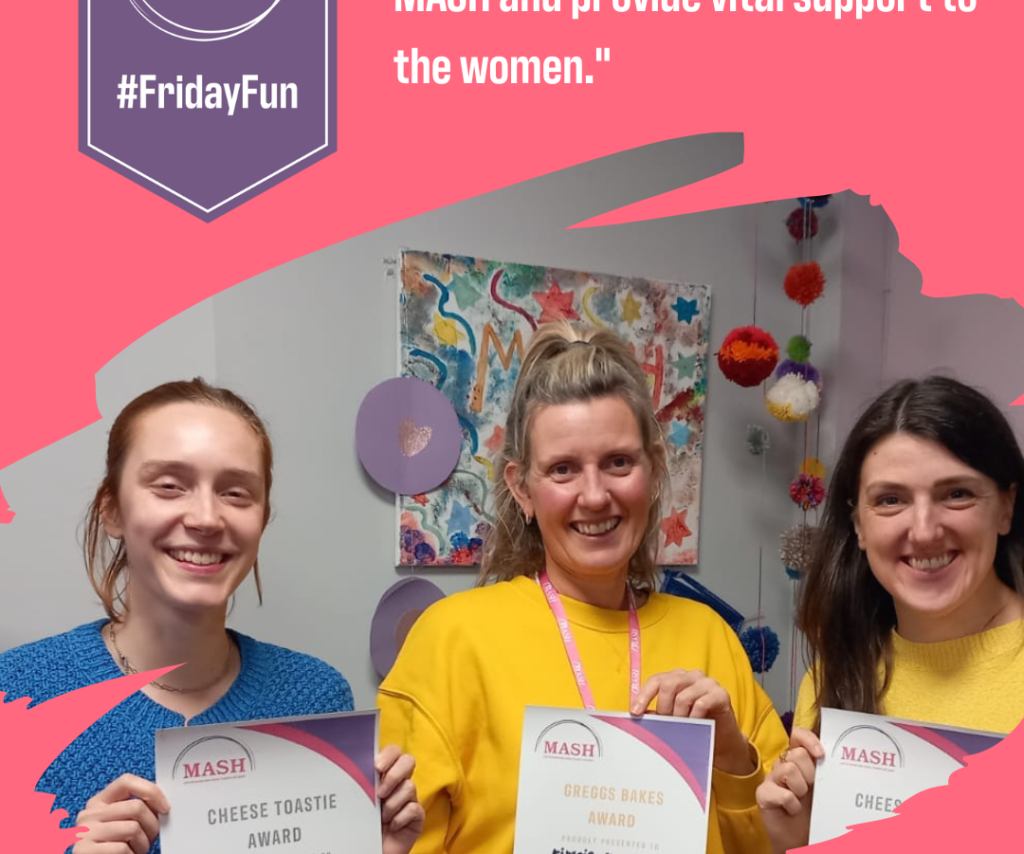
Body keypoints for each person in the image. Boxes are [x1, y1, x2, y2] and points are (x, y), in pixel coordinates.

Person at [378, 322, 789, 854]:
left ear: (654, 470)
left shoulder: (710, 641)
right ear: (523, 489)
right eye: (564, 469)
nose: (594, 496)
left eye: (618, 462)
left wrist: (733, 760)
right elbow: (394, 842)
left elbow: (780, 842)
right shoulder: (451, 641)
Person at [0, 379, 424, 854]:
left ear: (262, 520)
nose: (206, 518)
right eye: (169, 486)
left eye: (236, 493)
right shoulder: (16, 695)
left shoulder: (316, 695)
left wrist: (374, 849)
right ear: (112, 509)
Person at [756, 376, 1024, 853]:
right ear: (858, 524)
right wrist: (796, 841)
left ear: (1005, 507)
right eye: (890, 500)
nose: (922, 531)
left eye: (956, 493)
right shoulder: (833, 677)